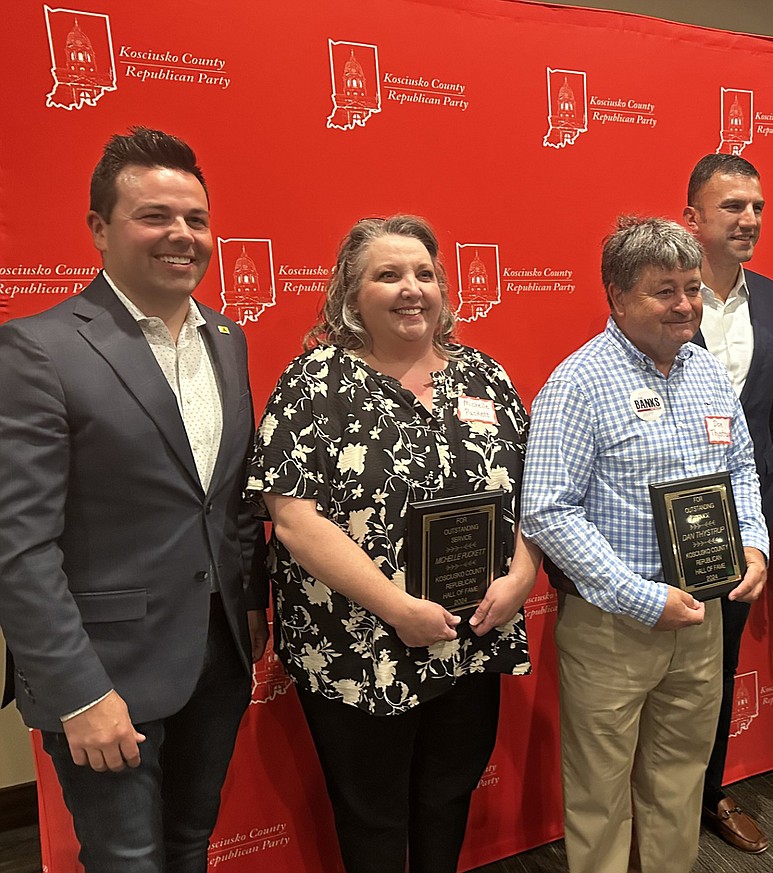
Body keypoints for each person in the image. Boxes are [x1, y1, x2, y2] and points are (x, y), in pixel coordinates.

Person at [0, 127, 269, 873]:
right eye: (155, 216)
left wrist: (250, 610)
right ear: (98, 229)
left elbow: (229, 499)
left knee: (189, 845)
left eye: (196, 219)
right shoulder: (37, 350)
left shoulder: (228, 339)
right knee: (125, 860)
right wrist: (79, 692)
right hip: (106, 671)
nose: (181, 235)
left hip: (216, 658)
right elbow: (17, 546)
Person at [247, 215, 539, 873]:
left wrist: (522, 575)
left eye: (424, 273)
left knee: (447, 797)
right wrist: (398, 607)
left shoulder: (484, 377)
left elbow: (534, 492)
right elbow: (293, 519)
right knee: (373, 816)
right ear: (352, 296)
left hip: (471, 635)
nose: (412, 288)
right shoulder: (312, 383)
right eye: (388, 274)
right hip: (359, 642)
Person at [522, 217, 770, 873]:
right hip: (614, 624)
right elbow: (546, 509)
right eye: (665, 290)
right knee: (601, 796)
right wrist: (638, 596)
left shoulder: (708, 373)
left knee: (679, 780)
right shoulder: (577, 383)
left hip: (702, 612)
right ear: (618, 296)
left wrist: (753, 544)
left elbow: (741, 469)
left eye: (692, 287)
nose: (685, 304)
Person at [683, 153, 773, 854]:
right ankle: (657, 801)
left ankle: (708, 793)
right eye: (733, 206)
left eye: (757, 206)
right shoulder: (661, 294)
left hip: (748, 516)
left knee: (722, 664)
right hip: (670, 519)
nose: (750, 219)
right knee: (664, 667)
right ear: (693, 217)